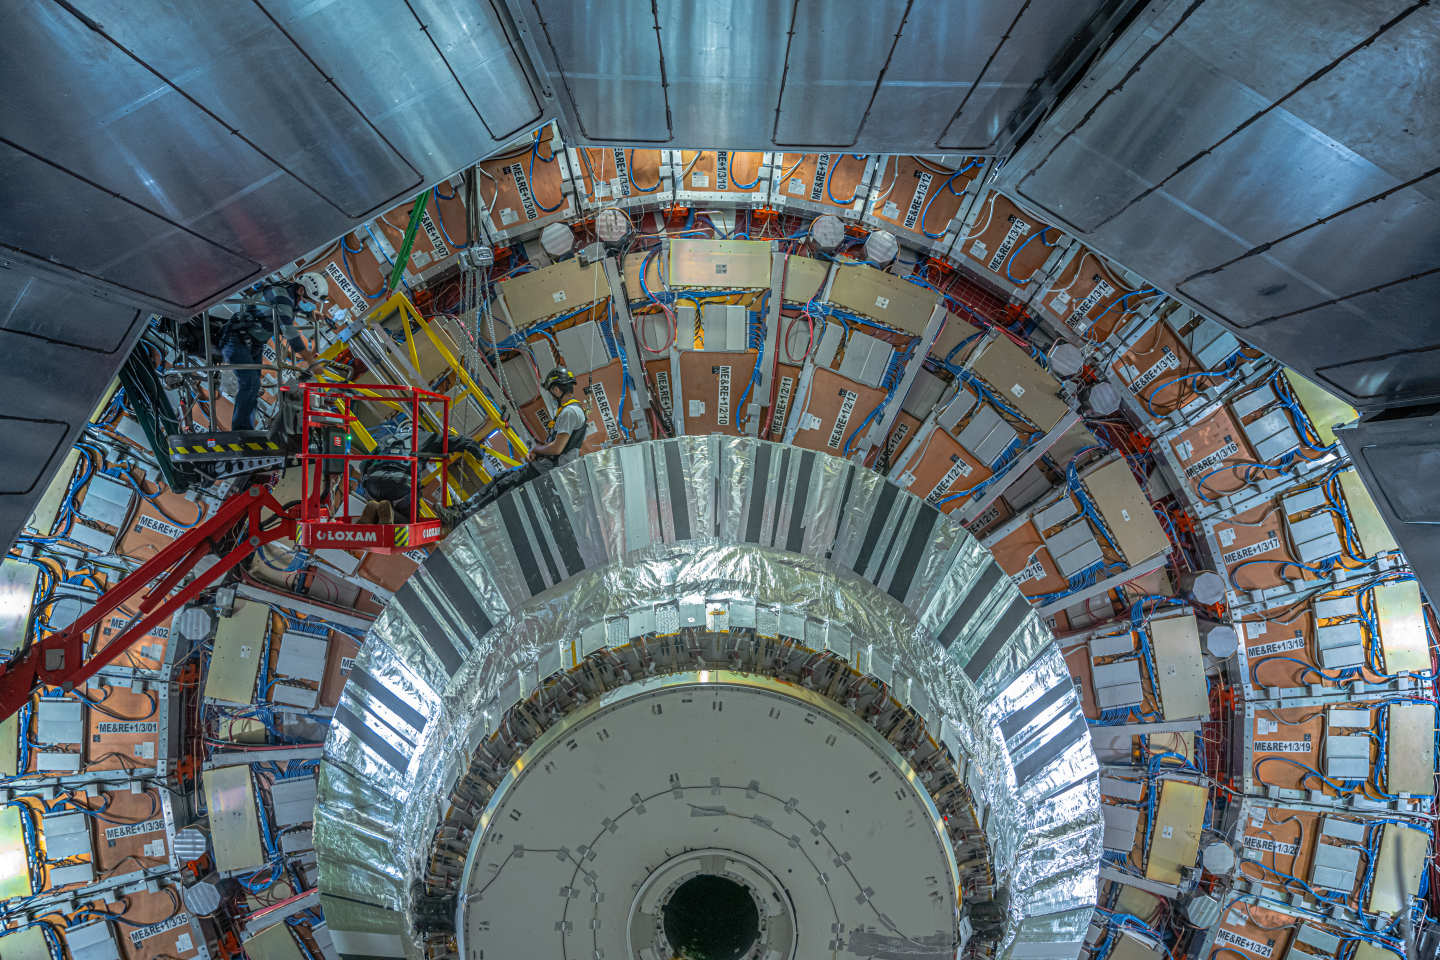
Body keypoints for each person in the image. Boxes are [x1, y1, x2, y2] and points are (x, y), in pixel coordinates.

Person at [437, 368, 590, 529]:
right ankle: (461, 510)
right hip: (545, 465)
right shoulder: (571, 411)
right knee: (499, 479)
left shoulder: (570, 412)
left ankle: (460, 519)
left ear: (556, 390)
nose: (552, 396)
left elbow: (557, 448)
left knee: (502, 489)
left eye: (552, 391)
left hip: (548, 468)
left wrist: (536, 450)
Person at [221, 274, 327, 431]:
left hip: (253, 344)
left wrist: (309, 314)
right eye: (309, 300)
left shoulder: (288, 293)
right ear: (301, 290)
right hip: (236, 339)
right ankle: (241, 433)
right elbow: (289, 331)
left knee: (254, 386)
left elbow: (288, 310)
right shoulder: (282, 295)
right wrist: (310, 361)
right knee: (249, 382)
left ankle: (246, 431)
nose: (310, 303)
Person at [355, 430, 487, 525]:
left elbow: (363, 464)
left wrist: (368, 484)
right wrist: (480, 455)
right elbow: (460, 442)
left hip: (374, 483)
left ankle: (373, 508)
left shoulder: (387, 438)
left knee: (381, 519)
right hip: (401, 483)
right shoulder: (424, 436)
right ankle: (385, 510)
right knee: (410, 522)